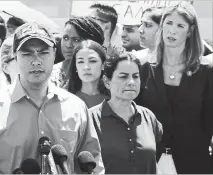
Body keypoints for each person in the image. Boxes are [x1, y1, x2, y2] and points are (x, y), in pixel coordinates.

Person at [0, 22, 104, 174]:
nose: (36, 61)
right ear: (15, 55)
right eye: (27, 54)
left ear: (54, 53)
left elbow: (93, 166)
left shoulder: (76, 108)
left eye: (43, 53)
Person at [136, 2, 213, 173]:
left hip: (193, 162)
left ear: (190, 31)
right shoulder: (143, 68)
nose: (172, 30)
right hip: (149, 161)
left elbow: (209, 121)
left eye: (180, 25)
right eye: (168, 23)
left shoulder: (206, 71)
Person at [89, 52, 163, 174]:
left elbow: (153, 162)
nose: (131, 82)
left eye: (135, 76)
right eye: (123, 76)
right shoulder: (90, 119)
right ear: (107, 82)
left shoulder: (148, 117)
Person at [50, 16, 105, 88]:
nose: (68, 45)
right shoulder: (50, 73)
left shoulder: (104, 78)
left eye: (76, 40)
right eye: (65, 38)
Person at [67, 40, 108, 108]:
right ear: (75, 67)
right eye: (80, 62)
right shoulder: (66, 101)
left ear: (103, 65)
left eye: (92, 61)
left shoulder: (114, 99)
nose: (86, 67)